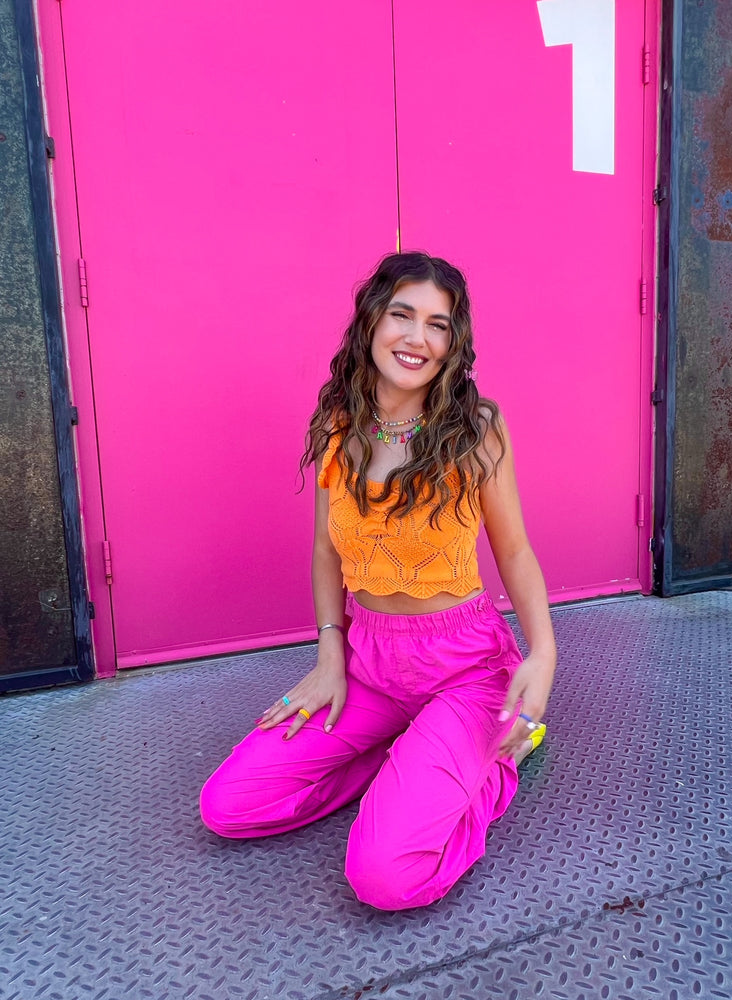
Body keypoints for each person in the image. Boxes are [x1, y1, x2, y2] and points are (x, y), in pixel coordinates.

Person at [200, 251, 557, 910]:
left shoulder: (477, 428)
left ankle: (500, 759)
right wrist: (330, 659)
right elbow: (324, 552)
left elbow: (515, 552)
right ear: (370, 322)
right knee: (229, 805)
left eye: (438, 324)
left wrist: (543, 654)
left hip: (465, 668)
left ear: (454, 344)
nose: (418, 338)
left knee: (387, 877)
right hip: (370, 665)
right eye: (402, 315)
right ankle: (409, 752)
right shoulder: (340, 424)